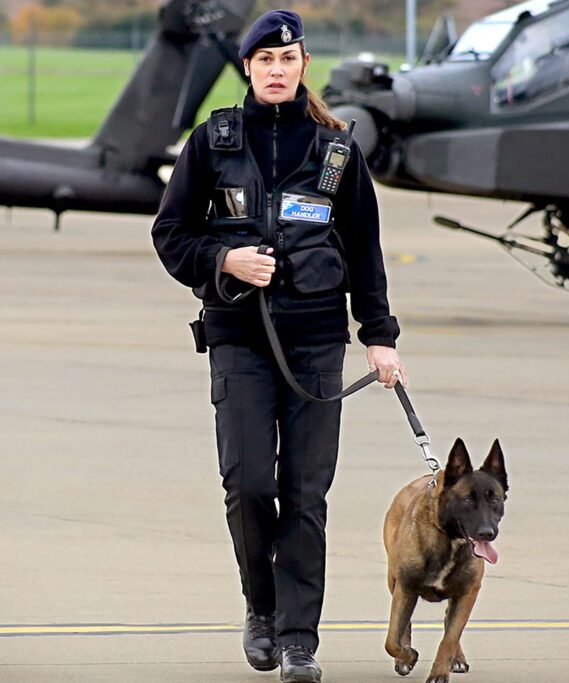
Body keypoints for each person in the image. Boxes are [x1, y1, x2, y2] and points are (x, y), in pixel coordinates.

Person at [151, 9, 405, 683]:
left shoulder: (337, 150)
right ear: (248, 67)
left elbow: (366, 252)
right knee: (249, 484)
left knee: (304, 494)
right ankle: (260, 609)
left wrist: (379, 336)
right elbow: (171, 235)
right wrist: (225, 260)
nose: (276, 69)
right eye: (264, 60)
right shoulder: (212, 143)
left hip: (318, 345)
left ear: (302, 66)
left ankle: (298, 639)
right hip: (239, 338)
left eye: (287, 59)